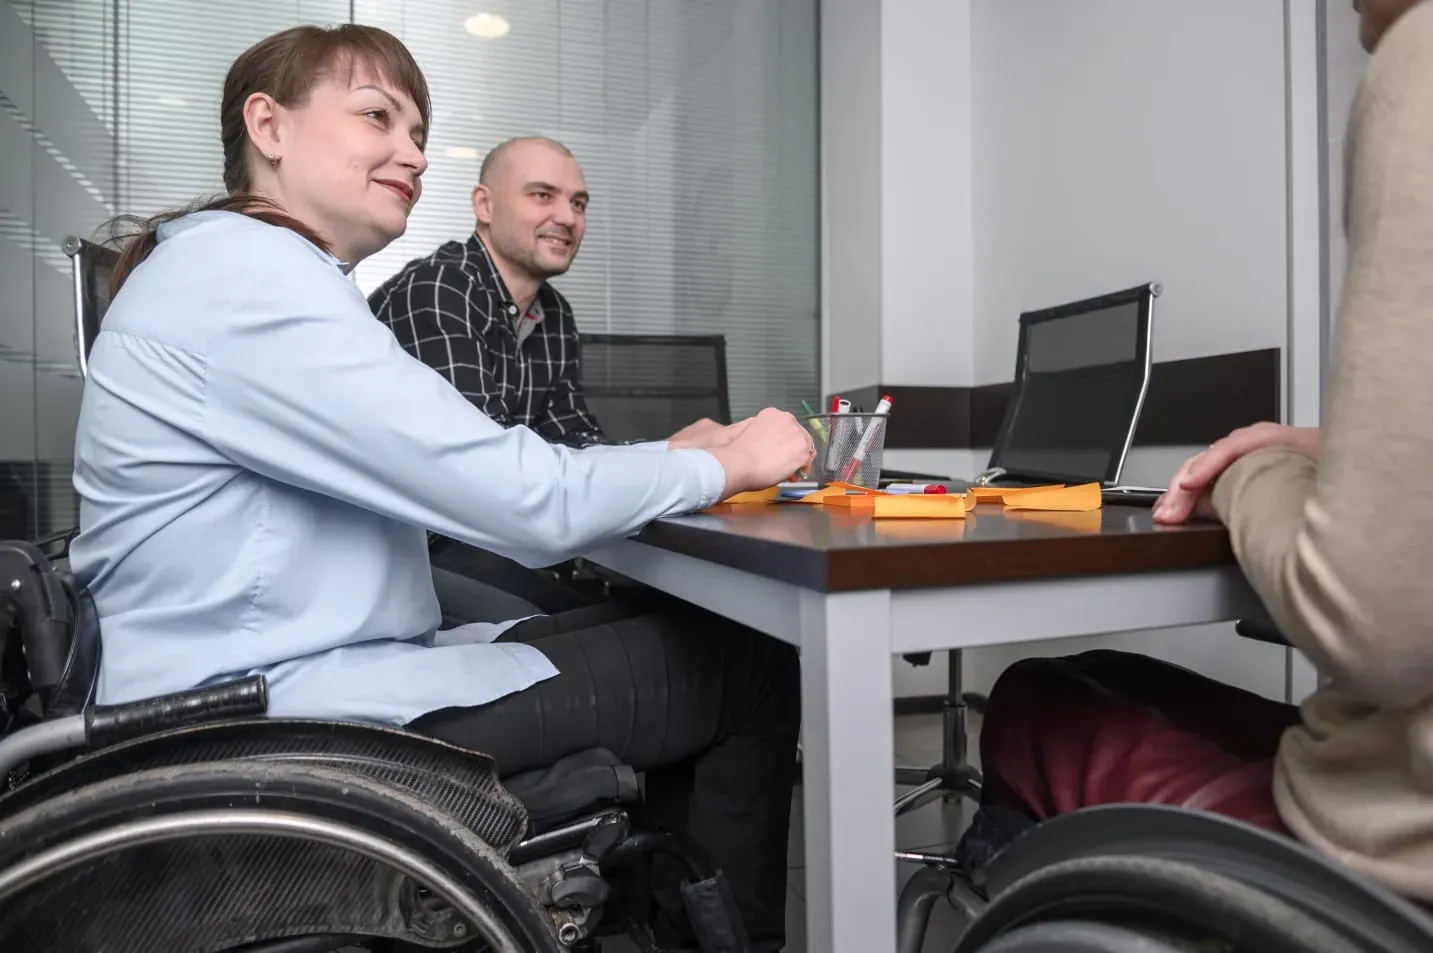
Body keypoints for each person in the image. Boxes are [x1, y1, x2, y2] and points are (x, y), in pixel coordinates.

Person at [68, 24, 812, 950]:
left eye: (418, 131)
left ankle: (655, 914)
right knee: (743, 664)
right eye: (377, 117)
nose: (411, 153)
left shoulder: (247, 269)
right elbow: (518, 494)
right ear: (269, 126)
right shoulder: (248, 280)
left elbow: (533, 451)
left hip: (286, 671)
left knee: (676, 632)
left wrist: (669, 459)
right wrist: (724, 463)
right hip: (267, 718)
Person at [960, 0, 1433, 907]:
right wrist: (1339, 451)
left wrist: (1253, 467)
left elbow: (1369, 622)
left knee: (1034, 698)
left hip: (1389, 868)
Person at [368, 135, 722, 613]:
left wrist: (675, 451)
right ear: (484, 205)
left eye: (578, 203)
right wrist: (675, 461)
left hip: (498, 543)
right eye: (543, 195)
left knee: (667, 621)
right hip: (413, 555)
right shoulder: (439, 290)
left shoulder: (553, 314)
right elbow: (483, 480)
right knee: (605, 630)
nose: (568, 217)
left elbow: (576, 441)